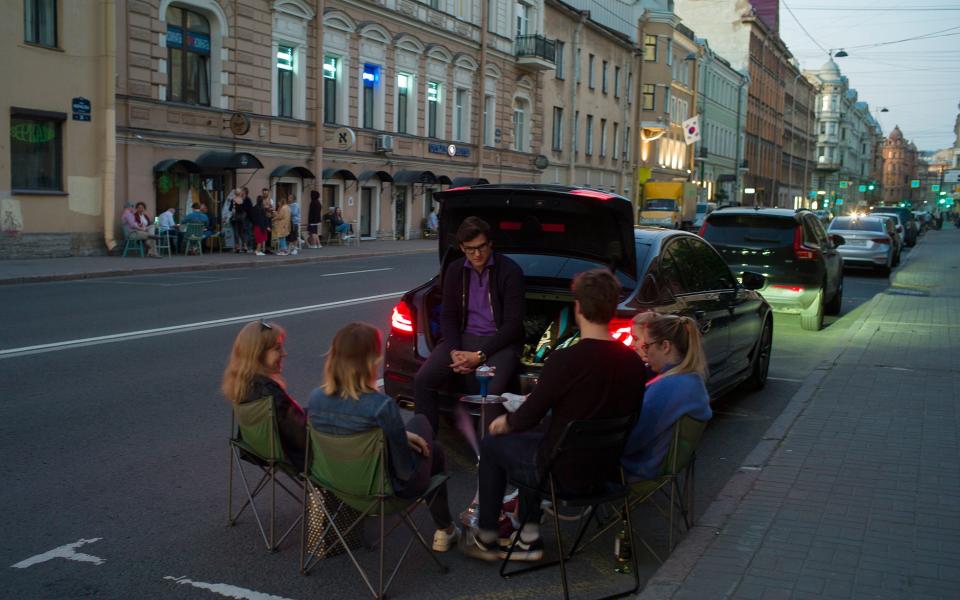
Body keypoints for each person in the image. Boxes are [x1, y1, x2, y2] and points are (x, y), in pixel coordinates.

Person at [462, 269, 646, 562]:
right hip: (606, 471)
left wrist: (504, 422)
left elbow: (528, 416)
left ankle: (486, 538)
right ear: (612, 308)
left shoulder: (565, 360)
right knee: (537, 440)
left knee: (494, 444)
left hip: (560, 475)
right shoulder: (635, 364)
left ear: (578, 307)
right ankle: (527, 539)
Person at [307, 322, 460, 552]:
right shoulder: (380, 406)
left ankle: (446, 531)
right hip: (382, 493)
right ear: (370, 361)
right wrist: (408, 441)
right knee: (433, 445)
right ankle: (445, 530)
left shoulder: (316, 398)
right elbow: (404, 470)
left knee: (419, 429)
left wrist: (400, 435)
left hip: (336, 484)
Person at [413, 216, 525, 434]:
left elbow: (513, 325)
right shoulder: (455, 271)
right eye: (470, 249)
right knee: (422, 380)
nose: (477, 254)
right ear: (462, 248)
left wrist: (479, 356)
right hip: (463, 338)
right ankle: (425, 449)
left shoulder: (510, 272)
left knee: (491, 395)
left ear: (490, 243)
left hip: (500, 343)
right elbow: (448, 316)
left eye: (481, 247)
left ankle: (489, 460)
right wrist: (454, 351)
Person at [621, 313, 711, 481]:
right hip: (658, 465)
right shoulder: (691, 380)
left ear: (665, 346)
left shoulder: (669, 387)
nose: (645, 352)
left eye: (647, 346)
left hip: (639, 469)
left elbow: (633, 441)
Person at [221, 320, 306, 471]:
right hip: (297, 457)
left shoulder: (243, 385)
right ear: (258, 354)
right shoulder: (270, 393)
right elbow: (303, 438)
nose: (284, 353)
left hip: (261, 450)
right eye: (277, 348)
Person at [229, 189, 251, 253]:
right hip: (242, 218)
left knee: (236, 232)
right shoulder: (242, 200)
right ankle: (245, 246)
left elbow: (230, 209)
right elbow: (244, 209)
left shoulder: (233, 200)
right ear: (240, 193)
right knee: (242, 232)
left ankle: (237, 246)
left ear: (235, 193)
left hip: (235, 217)